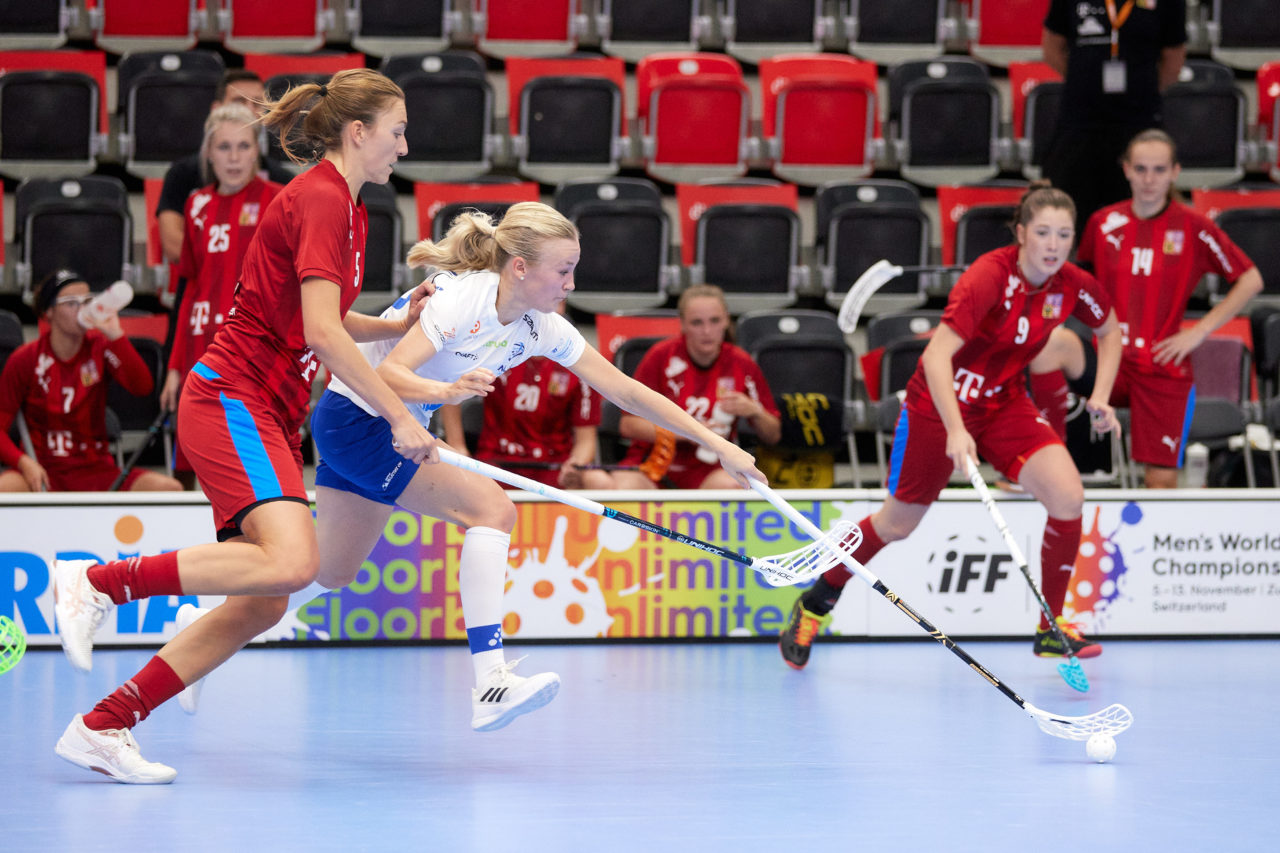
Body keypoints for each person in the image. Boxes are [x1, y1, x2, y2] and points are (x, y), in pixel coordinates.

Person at [51, 69, 438, 784]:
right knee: (295, 564)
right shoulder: (323, 199)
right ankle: (98, 580)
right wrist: (397, 416)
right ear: (358, 132)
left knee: (263, 599)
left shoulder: (348, 209)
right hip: (234, 397)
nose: (404, 146)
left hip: (269, 409)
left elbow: (319, 314)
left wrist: (394, 322)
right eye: (397, 130)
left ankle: (104, 725)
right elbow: (321, 334)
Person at [306, 203, 765, 731]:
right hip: (363, 420)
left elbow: (626, 391)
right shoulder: (460, 301)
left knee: (332, 573)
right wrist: (446, 392)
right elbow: (390, 373)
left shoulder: (539, 325)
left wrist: (719, 445)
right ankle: (491, 682)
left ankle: (212, 619)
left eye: (573, 269)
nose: (571, 284)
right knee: (493, 510)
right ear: (520, 268)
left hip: (381, 424)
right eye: (563, 270)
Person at [779, 185, 1124, 671]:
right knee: (896, 523)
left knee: (1068, 497)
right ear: (1022, 233)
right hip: (936, 407)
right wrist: (956, 427)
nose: (1053, 244)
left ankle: (1051, 627)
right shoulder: (988, 276)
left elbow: (1110, 330)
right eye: (1043, 232)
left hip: (1004, 404)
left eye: (1064, 235)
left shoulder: (1072, 283)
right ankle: (816, 599)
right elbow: (936, 356)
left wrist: (1102, 395)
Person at [1028, 129, 1263, 489]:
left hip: (1161, 366)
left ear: (1175, 172)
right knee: (1049, 345)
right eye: (1141, 168)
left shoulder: (1194, 227)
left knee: (1161, 483)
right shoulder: (1103, 223)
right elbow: (1079, 279)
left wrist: (1200, 331)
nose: (1149, 179)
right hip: (1106, 358)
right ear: (1126, 170)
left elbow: (1251, 279)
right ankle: (1047, 458)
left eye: (1158, 169)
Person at [160, 103, 284, 488]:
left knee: (253, 451)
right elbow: (190, 288)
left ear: (257, 151)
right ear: (208, 153)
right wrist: (175, 367)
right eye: (224, 147)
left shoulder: (279, 199)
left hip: (253, 344)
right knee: (195, 448)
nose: (234, 157)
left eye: (243, 146)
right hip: (201, 342)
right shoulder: (196, 204)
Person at [0, 271, 183, 493]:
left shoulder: (101, 346)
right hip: (44, 471)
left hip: (96, 469)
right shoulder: (26, 358)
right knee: (5, 488)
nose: (83, 309)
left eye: (87, 301)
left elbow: (142, 386)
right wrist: (24, 463)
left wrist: (116, 335)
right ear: (48, 312)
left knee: (168, 488)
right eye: (71, 303)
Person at [610, 285, 782, 490]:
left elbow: (773, 435)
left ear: (727, 320)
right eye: (697, 323)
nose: (707, 331)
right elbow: (628, 425)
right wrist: (691, 433)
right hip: (652, 465)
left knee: (735, 487)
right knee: (621, 487)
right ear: (682, 324)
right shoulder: (660, 357)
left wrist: (755, 411)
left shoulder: (741, 363)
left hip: (709, 470)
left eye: (715, 321)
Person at [1041, 0, 1187, 232]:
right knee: (1070, 215)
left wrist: (1139, 91)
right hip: (1080, 123)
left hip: (1137, 123)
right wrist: (1086, 83)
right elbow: (1052, 48)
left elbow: (1174, 58)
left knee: (1135, 218)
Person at [155, 69, 295, 266]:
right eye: (239, 102)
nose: (249, 111)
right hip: (200, 286)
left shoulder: (282, 181)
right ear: (217, 109)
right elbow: (172, 247)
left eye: (257, 104)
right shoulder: (182, 175)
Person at [437, 338, 617, 490]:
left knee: (599, 481)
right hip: (496, 463)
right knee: (448, 476)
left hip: (554, 466)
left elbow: (586, 440)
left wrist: (575, 464)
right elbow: (451, 383)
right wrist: (457, 446)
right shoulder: (497, 345)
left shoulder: (577, 361)